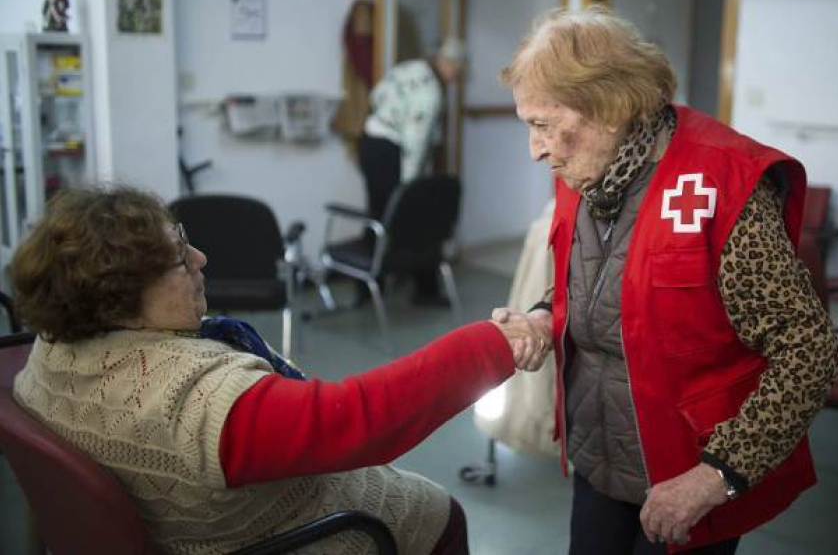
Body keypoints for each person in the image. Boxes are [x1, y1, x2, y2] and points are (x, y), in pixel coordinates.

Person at [10, 185, 549, 555]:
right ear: (119, 299)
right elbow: (356, 419)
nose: (200, 258)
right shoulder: (192, 404)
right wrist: (491, 344)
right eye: (178, 258)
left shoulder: (50, 350)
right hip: (287, 536)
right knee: (439, 511)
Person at [492, 5, 838, 554]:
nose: (534, 149)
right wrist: (542, 315)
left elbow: (809, 349)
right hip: (599, 455)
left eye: (542, 125)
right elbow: (594, 281)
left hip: (688, 473)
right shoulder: (583, 166)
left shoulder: (724, 184)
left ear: (607, 107)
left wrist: (718, 475)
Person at [357, 36, 466, 304]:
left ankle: (370, 287)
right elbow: (416, 145)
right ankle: (424, 291)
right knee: (416, 217)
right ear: (447, 63)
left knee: (378, 213)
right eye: (457, 70)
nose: (456, 78)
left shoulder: (410, 67)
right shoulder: (430, 94)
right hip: (391, 152)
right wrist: (409, 188)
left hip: (370, 141)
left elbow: (376, 95)